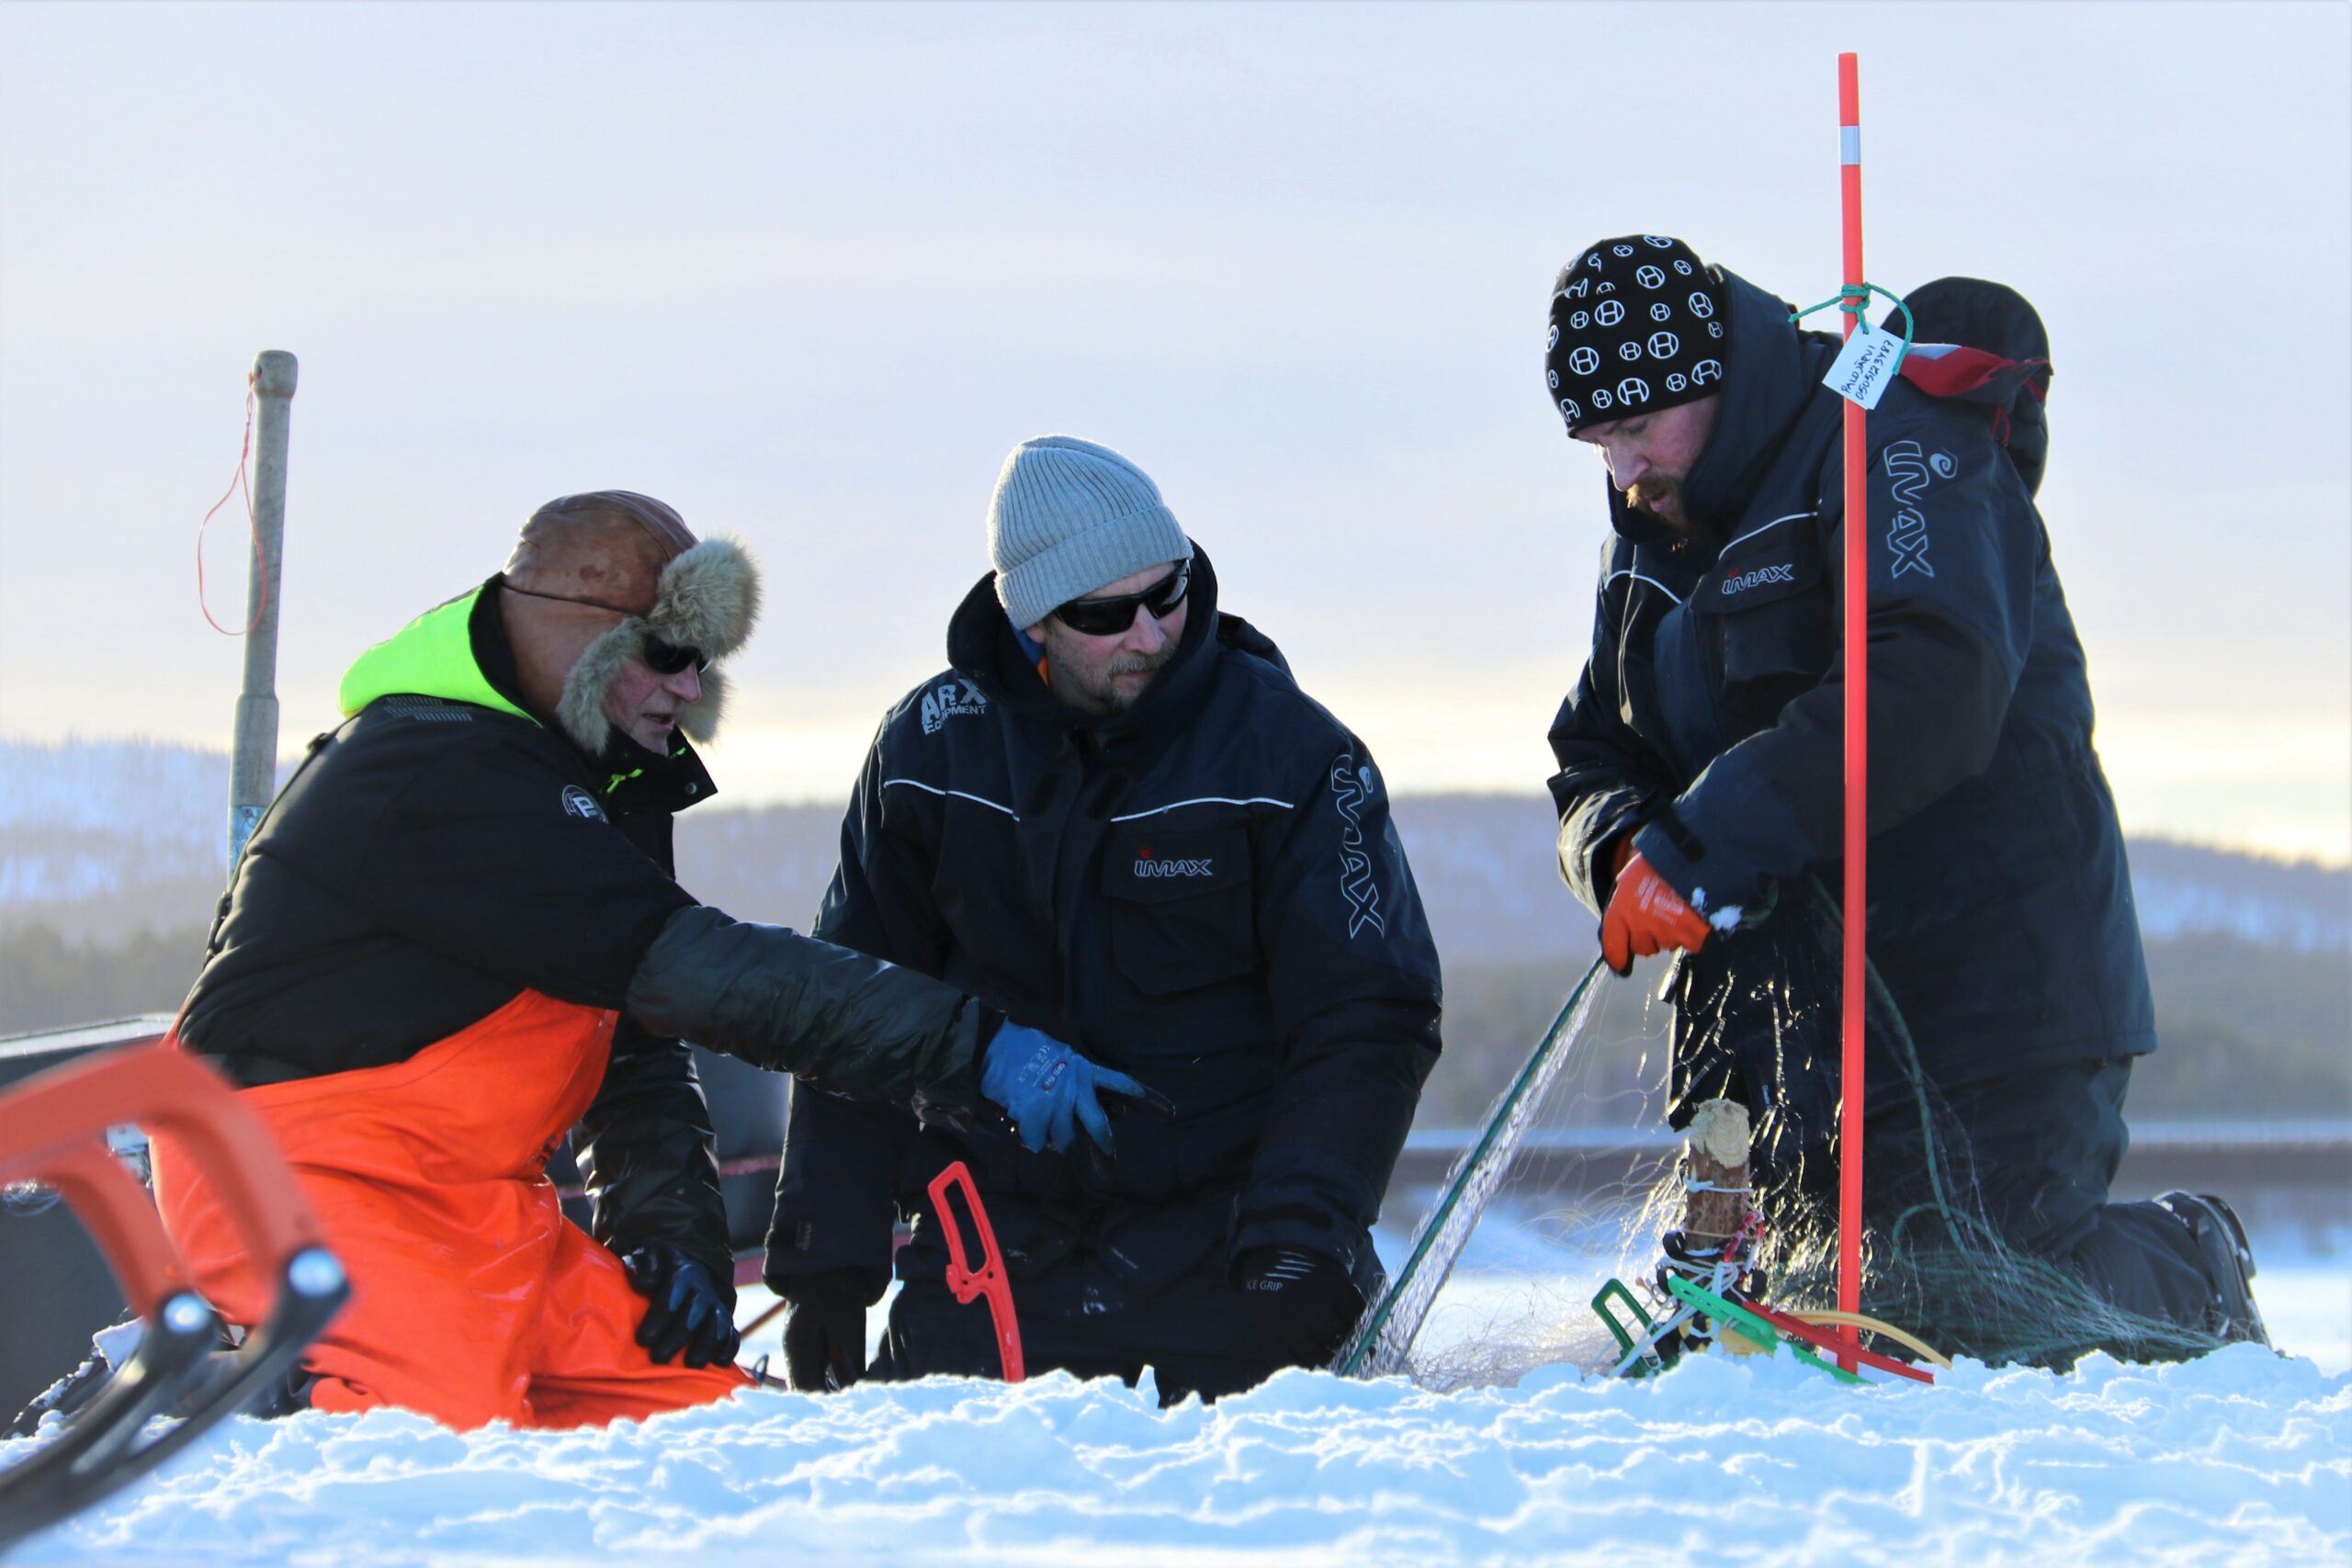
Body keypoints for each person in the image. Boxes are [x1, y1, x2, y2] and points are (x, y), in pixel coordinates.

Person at [156, 491, 1149, 1429]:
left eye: (703, 661)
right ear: (574, 634)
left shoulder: (592, 773)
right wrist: (975, 1049)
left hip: (476, 1207)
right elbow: (704, 975)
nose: (690, 685)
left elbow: (631, 1042)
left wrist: (669, 1243)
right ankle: (224, 1402)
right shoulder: (431, 771)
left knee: (698, 1419)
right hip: (294, 1183)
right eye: (669, 653)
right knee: (418, 1449)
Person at [1540, 235, 2267, 1359]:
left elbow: (1933, 674)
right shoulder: (1643, 550)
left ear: (1715, 379)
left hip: (1987, 975)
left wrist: (1712, 832)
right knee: (1819, 1317)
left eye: (1638, 430)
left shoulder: (1891, 437)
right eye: (1598, 445)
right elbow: (1590, 751)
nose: (1623, 470)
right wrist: (1626, 847)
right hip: (1789, 1018)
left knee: (1984, 1293)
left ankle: (2193, 1263)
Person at [765, 437, 1443, 1403]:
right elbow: (854, 1008)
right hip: (985, 1256)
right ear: (1030, 621)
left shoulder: (1288, 753)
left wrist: (1305, 1234)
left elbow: (1368, 1012)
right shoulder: (928, 752)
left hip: (1229, 1254)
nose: (1151, 633)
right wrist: (826, 1264)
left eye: (1167, 592)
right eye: (1104, 613)